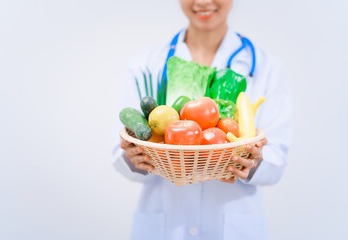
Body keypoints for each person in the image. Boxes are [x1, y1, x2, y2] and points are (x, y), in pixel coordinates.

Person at [111, 0, 292, 239]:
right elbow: (120, 156)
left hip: (233, 225)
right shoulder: (145, 65)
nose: (203, 1)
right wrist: (135, 157)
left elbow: (276, 160)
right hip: (165, 223)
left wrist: (253, 162)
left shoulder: (268, 67)